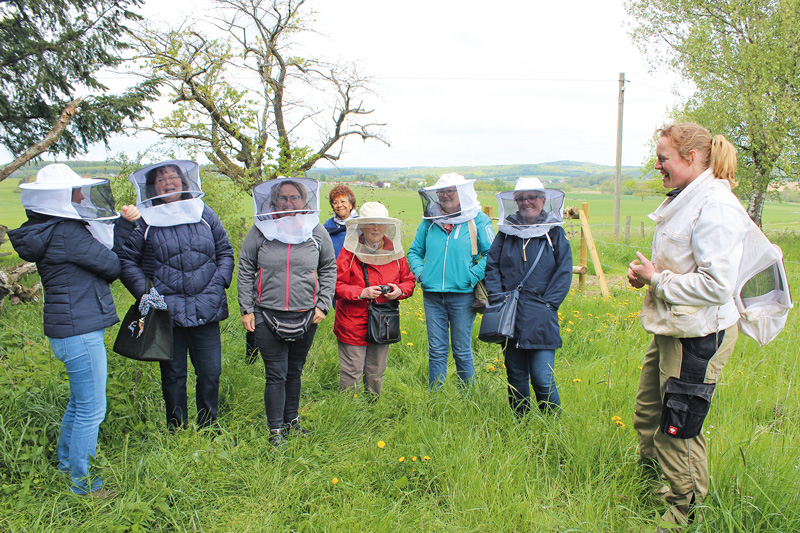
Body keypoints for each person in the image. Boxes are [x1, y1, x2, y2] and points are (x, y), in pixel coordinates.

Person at [627, 122, 746, 530]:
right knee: (648, 411)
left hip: (699, 336)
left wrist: (657, 279)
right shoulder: (688, 197)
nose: (657, 165)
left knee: (678, 425)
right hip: (674, 326)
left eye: (663, 158)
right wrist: (649, 274)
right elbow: (686, 264)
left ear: (691, 157)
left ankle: (683, 511)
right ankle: (654, 485)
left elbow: (717, 285)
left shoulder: (716, 205)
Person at [8, 164, 140, 497]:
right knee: (92, 409)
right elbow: (111, 265)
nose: (81, 197)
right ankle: (84, 485)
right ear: (60, 198)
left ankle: (67, 464)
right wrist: (125, 228)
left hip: (68, 329)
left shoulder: (47, 229)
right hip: (78, 329)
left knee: (79, 404)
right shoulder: (66, 233)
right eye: (75, 192)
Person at [118, 160, 234, 432]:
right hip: (165, 313)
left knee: (210, 373)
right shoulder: (146, 220)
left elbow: (225, 251)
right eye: (161, 179)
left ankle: (209, 427)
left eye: (173, 177)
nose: (168, 182)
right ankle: (177, 429)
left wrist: (219, 283)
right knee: (173, 375)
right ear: (151, 187)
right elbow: (126, 260)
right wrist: (147, 294)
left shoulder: (203, 213)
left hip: (207, 308)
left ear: (184, 182)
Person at [238, 177, 336, 447]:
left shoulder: (316, 231)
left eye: (294, 197)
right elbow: (246, 266)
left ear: (304, 201)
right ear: (273, 201)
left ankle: (291, 421)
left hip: (307, 314)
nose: (289, 202)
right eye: (283, 197)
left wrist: (323, 304)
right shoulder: (261, 230)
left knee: (295, 371)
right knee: (275, 373)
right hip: (266, 314)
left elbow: (329, 267)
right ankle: (275, 430)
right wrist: (247, 309)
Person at [484, 177, 572, 416]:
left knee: (543, 378)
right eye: (521, 198)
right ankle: (520, 424)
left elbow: (563, 272)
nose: (526, 202)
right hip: (509, 315)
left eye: (532, 197)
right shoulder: (506, 233)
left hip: (541, 315)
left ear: (543, 200)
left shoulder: (555, 234)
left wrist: (548, 304)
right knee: (516, 375)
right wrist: (498, 298)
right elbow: (492, 267)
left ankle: (552, 426)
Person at [407, 173, 494, 390]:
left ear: (461, 193)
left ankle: (467, 397)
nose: (445, 196)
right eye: (441, 192)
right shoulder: (429, 221)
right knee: (436, 350)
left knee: (462, 349)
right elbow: (415, 251)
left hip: (463, 296)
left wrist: (471, 276)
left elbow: (493, 254)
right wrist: (421, 273)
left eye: (450, 191)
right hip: (432, 295)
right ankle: (436, 397)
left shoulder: (477, 219)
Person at [333, 202, 416, 395]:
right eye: (371, 224)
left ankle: (373, 412)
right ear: (361, 226)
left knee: (376, 372)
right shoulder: (349, 252)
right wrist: (361, 293)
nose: (376, 228)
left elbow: (409, 282)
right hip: (352, 322)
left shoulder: (395, 253)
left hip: (383, 322)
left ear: (387, 227)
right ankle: (346, 414)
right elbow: (336, 286)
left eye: (380, 224)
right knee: (351, 372)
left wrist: (398, 290)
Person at [323, 184, 358, 258]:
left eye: (343, 201)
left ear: (351, 204)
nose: (339, 205)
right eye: (335, 202)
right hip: (334, 268)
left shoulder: (360, 225)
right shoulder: (327, 226)